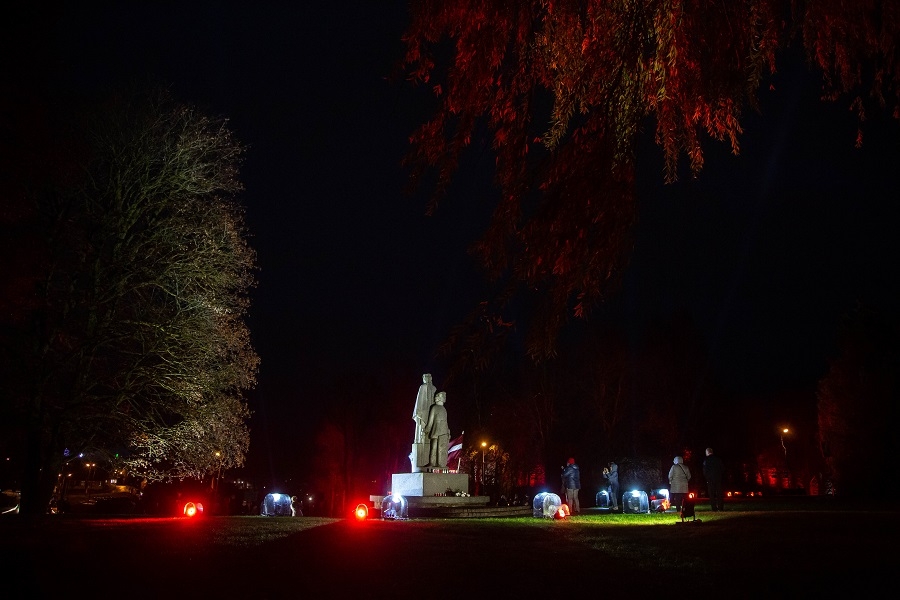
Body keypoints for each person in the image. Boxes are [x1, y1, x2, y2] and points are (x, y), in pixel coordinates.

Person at [424, 391, 450, 468]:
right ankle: (432, 463)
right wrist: (427, 429)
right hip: (436, 430)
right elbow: (431, 421)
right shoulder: (435, 408)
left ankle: (440, 463)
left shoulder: (443, 409)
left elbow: (445, 421)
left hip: (443, 431)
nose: (436, 397)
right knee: (434, 448)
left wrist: (448, 431)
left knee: (441, 448)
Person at [412, 373, 436, 443]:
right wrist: (418, 411)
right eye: (425, 377)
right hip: (423, 411)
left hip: (431, 411)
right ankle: (420, 440)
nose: (426, 378)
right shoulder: (422, 387)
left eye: (428, 376)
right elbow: (419, 400)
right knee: (422, 427)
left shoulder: (434, 388)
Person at [703, 447, 725, 511]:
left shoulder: (706, 460)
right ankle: (720, 507)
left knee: (711, 494)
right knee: (719, 493)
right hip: (718, 479)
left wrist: (707, 477)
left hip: (710, 480)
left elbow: (705, 470)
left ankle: (714, 508)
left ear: (707, 452)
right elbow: (722, 468)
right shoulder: (718, 459)